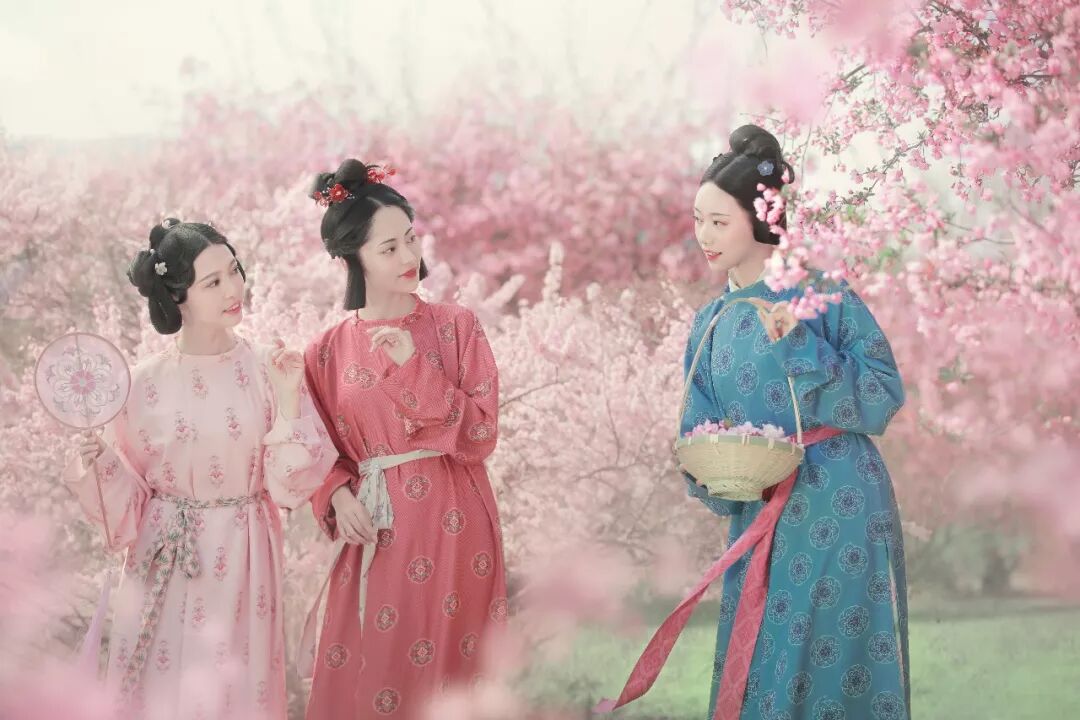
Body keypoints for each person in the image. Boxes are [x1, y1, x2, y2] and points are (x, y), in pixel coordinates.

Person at [604, 125, 910, 720]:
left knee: (830, 666)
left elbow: (881, 397)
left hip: (839, 502)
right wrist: (710, 471)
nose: (704, 236)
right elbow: (699, 428)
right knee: (763, 664)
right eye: (699, 220)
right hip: (759, 507)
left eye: (720, 222)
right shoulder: (709, 322)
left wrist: (803, 346)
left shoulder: (820, 293)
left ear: (760, 219)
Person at [66, 218, 336, 719]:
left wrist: (287, 400)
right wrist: (100, 465)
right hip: (163, 554)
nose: (233, 289)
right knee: (161, 688)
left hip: (244, 550)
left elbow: (288, 488)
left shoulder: (268, 367)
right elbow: (129, 506)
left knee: (233, 686)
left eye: (234, 271)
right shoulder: (141, 384)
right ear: (178, 297)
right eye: (212, 282)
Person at [299, 160, 507, 720]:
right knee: (375, 667)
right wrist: (337, 495)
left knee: (452, 675)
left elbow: (481, 432)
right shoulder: (325, 351)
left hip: (456, 521)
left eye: (410, 239)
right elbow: (316, 447)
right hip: (376, 526)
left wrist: (414, 368)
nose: (408, 256)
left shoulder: (456, 326)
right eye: (389, 247)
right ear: (353, 257)